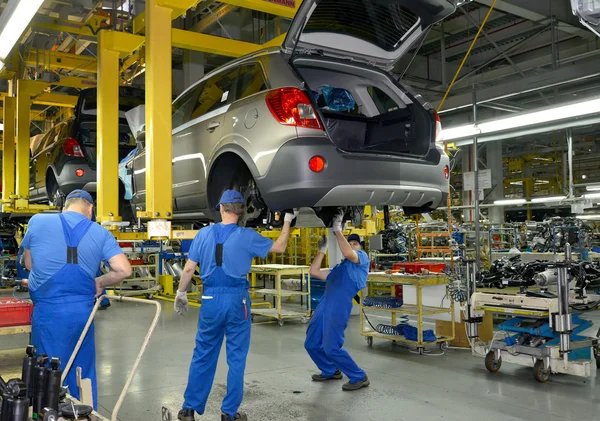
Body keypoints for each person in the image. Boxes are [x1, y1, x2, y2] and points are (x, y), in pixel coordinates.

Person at [175, 189, 297, 421]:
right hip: (237, 300)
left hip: (210, 300)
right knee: (237, 357)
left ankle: (189, 408)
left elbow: (189, 268)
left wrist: (181, 293)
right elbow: (280, 247)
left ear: (221, 208)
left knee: (203, 353)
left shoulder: (203, 234)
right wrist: (287, 221)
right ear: (241, 212)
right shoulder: (247, 236)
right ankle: (228, 413)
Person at [21, 189, 132, 408]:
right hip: (83, 314)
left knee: (47, 373)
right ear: (90, 210)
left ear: (64, 208)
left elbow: (29, 264)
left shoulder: (38, 221)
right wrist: (99, 282)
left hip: (48, 313)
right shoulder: (100, 232)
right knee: (83, 371)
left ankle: (49, 412)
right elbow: (124, 270)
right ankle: (84, 412)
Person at [304, 211, 370, 391]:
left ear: (361, 247)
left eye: (355, 243)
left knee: (331, 347)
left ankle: (359, 376)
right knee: (310, 343)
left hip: (338, 307)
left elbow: (349, 253)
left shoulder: (361, 260)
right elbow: (315, 272)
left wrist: (338, 231)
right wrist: (321, 251)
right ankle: (330, 370)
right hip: (324, 306)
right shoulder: (339, 268)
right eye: (350, 243)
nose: (351, 245)